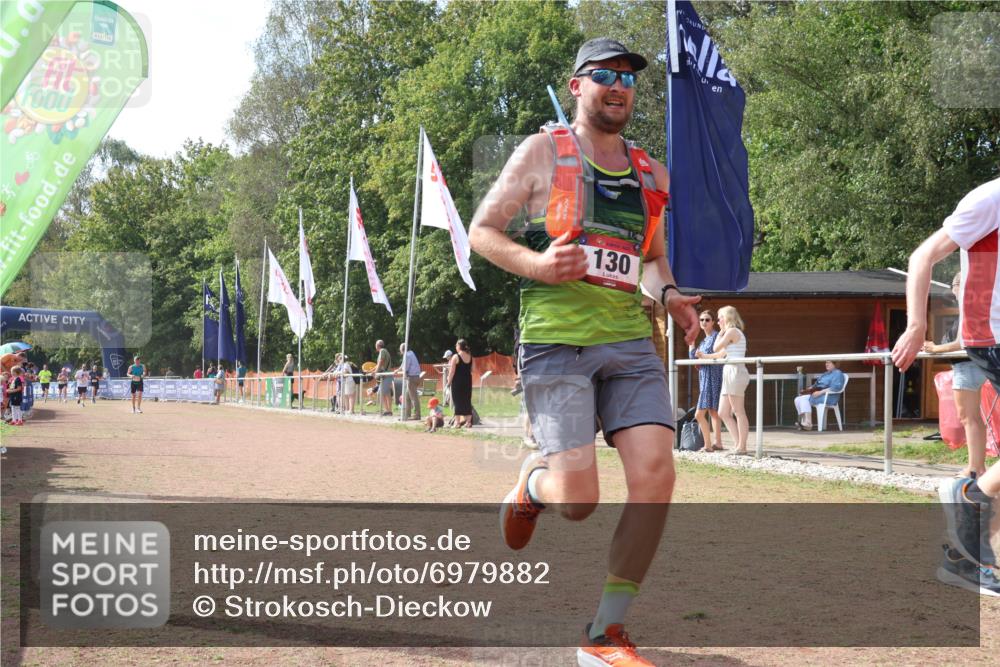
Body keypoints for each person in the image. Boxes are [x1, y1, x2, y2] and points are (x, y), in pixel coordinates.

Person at [469, 37, 701, 665]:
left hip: (629, 342)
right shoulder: (542, 152)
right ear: (578, 86)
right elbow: (482, 231)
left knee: (656, 476)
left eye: (628, 78)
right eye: (604, 75)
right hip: (556, 344)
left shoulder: (652, 173)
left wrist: (673, 294)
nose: (618, 86)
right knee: (578, 502)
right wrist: (541, 266)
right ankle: (532, 487)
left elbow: (649, 258)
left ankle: (605, 634)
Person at [891, 176, 1000, 594]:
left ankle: (970, 560)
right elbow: (923, 256)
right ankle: (969, 492)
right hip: (990, 336)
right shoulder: (989, 199)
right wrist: (916, 324)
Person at [923, 273, 989, 479]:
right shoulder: (978, 307)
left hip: (967, 367)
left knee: (969, 418)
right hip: (975, 365)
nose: (952, 289)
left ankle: (975, 468)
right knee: (974, 419)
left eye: (954, 285)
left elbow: (961, 342)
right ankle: (977, 467)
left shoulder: (969, 307)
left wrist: (934, 348)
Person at [696, 306, 749, 454]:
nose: (718, 321)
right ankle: (738, 444)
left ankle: (742, 446)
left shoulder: (731, 332)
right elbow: (719, 354)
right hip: (729, 372)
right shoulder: (730, 336)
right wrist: (703, 357)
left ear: (726, 318)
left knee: (739, 411)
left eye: (719, 318)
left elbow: (715, 347)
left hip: (735, 371)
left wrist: (720, 333)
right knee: (723, 412)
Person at [689, 309, 724, 451]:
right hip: (704, 377)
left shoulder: (716, 336)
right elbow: (693, 359)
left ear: (713, 322)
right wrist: (691, 343)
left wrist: (702, 355)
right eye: (702, 320)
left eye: (707, 320)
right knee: (713, 412)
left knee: (700, 414)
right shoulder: (703, 340)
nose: (704, 322)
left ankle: (708, 445)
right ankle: (718, 443)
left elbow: (716, 354)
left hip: (713, 377)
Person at [793, 360, 847, 431]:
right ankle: (805, 422)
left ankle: (808, 424)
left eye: (829, 362)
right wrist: (807, 390)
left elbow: (836, 387)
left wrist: (820, 392)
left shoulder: (838, 373)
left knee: (804, 399)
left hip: (829, 397)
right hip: (818, 394)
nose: (826, 364)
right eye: (826, 362)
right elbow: (816, 385)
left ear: (835, 364)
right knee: (798, 399)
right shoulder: (825, 374)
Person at [447, 339, 474, 428]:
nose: (455, 347)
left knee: (457, 400)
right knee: (467, 400)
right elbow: (472, 369)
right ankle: (468, 422)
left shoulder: (456, 356)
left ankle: (457, 423)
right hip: (468, 381)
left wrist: (448, 382)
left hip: (457, 381)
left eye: (456, 345)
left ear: (459, 346)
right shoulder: (470, 356)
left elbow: (452, 371)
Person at [397, 343, 422, 421]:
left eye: (400, 349)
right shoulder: (411, 353)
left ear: (402, 349)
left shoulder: (406, 355)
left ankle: (417, 415)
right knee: (407, 396)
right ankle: (407, 414)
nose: (400, 351)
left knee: (413, 397)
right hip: (416, 377)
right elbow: (403, 365)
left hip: (412, 378)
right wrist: (398, 370)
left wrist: (404, 373)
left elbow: (406, 367)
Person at [373, 340, 393, 416]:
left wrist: (375, 372)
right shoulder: (384, 351)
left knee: (380, 393)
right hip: (386, 375)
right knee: (387, 394)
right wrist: (372, 370)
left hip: (386, 375)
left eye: (375, 344)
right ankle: (388, 410)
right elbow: (379, 364)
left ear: (378, 345)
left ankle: (387, 410)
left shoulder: (382, 351)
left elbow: (381, 361)